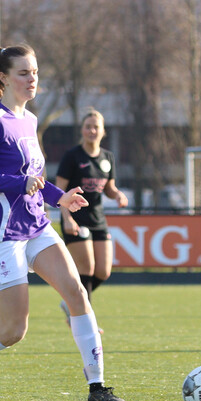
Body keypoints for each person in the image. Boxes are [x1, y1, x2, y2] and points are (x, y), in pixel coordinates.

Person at [0, 20, 125, 401]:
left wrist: (59, 197)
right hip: (0, 235)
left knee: (78, 293)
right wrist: (20, 184)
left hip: (35, 226)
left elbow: (32, 178)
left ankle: (97, 387)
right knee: (14, 329)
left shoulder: (30, 121)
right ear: (3, 76)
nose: (32, 79)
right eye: (23, 73)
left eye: (35, 72)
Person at [55, 109, 128, 328]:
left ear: (103, 131)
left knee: (103, 272)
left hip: (98, 219)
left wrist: (118, 195)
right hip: (76, 218)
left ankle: (71, 301)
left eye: (96, 127)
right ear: (82, 130)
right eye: (88, 126)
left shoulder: (107, 158)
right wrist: (67, 218)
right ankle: (87, 322)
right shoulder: (72, 156)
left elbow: (109, 188)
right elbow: (60, 190)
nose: (91, 130)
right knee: (86, 269)